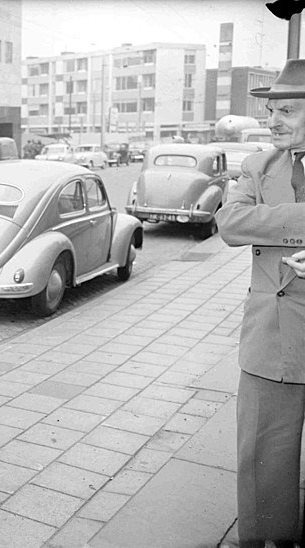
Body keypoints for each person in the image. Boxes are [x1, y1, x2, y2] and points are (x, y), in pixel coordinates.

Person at [215, 58, 305, 548]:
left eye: (287, 110)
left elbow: (254, 221)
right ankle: (269, 538)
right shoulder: (258, 165)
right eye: (272, 109)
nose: (274, 120)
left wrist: (270, 219)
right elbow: (231, 225)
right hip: (270, 337)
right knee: (262, 455)